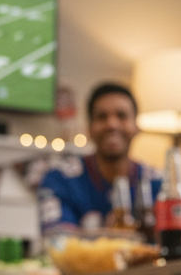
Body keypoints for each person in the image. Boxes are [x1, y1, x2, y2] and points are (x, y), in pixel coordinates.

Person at [39, 83, 161, 233]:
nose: (111, 124)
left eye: (122, 115)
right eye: (102, 117)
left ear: (136, 126)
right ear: (89, 129)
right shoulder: (60, 179)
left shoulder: (159, 183)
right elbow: (57, 240)